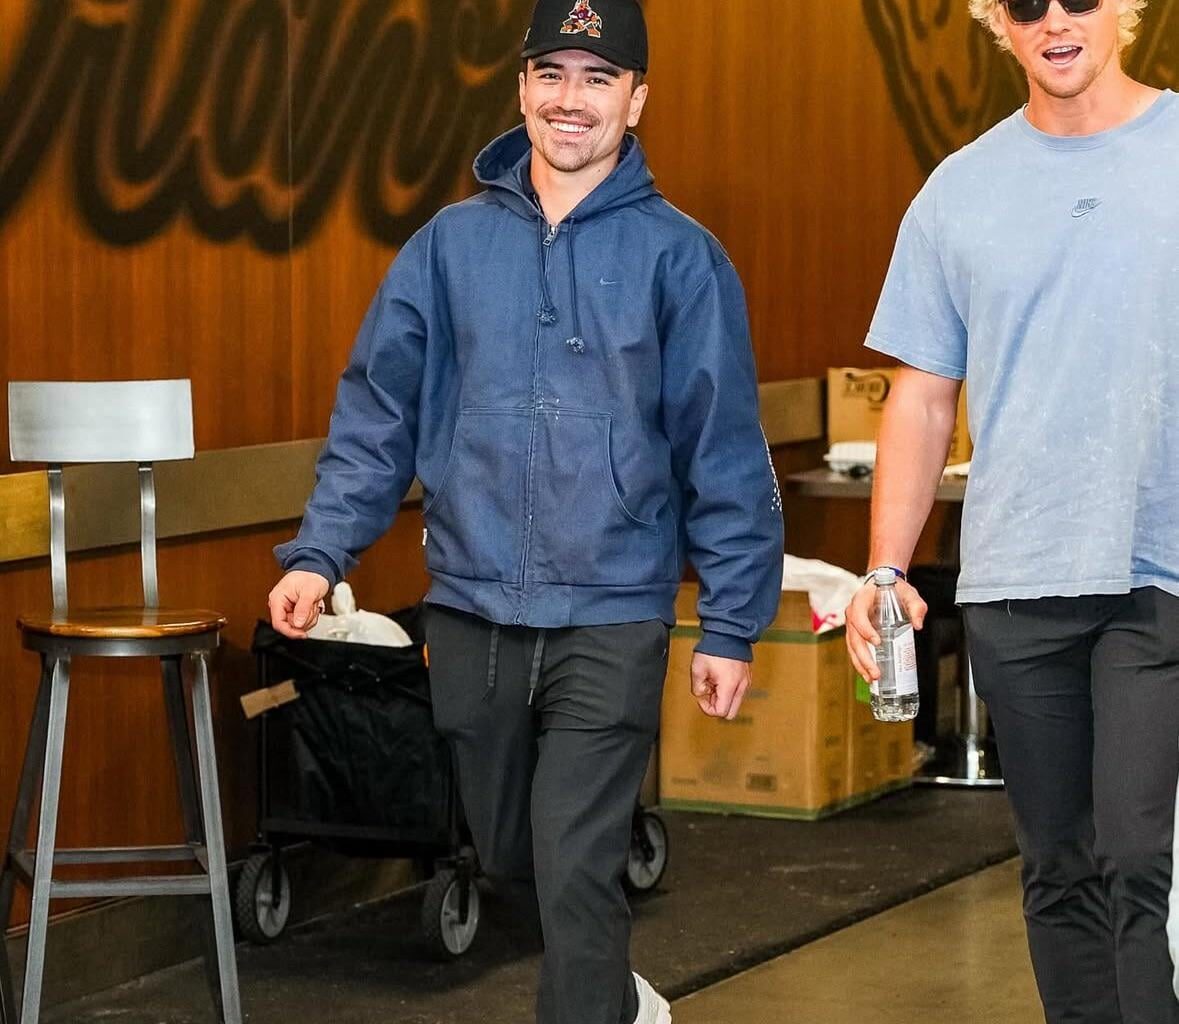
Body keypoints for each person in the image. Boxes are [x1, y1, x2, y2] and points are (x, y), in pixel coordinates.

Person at [267, 1, 784, 1021]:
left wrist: (730, 620)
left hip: (614, 607)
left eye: (598, 79)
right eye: (552, 74)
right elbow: (377, 409)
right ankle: (618, 1000)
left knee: (577, 861)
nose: (571, 100)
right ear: (521, 88)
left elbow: (722, 446)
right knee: (511, 855)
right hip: (472, 603)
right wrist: (319, 551)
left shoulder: (682, 258)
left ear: (638, 99)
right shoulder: (447, 248)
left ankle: (591, 1002)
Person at [845, 1, 1179, 1020]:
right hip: (1015, 578)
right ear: (996, 21)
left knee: (1135, 857)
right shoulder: (960, 191)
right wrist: (886, 569)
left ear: (1124, 6)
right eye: (1027, 2)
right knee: (1059, 866)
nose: (1056, 20)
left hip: (1156, 572)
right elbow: (922, 393)